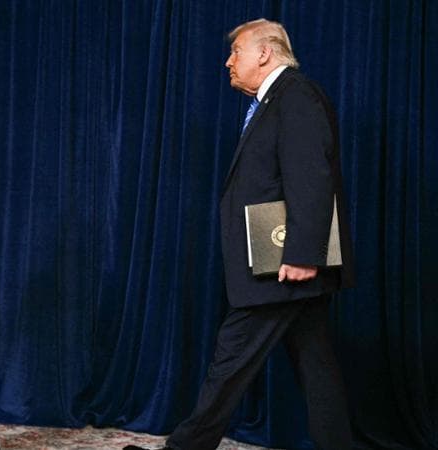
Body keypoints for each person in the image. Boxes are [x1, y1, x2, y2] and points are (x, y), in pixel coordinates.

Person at [125, 18, 355, 450]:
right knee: (316, 367)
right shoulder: (275, 101)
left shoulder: (295, 96)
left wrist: (303, 254)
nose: (228, 62)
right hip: (282, 261)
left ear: (264, 53)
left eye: (236, 52)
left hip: (283, 264)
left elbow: (311, 177)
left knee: (230, 360)